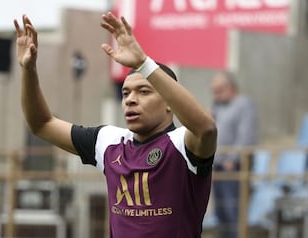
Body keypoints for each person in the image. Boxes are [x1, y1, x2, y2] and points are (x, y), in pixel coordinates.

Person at [14, 12, 217, 238]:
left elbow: (206, 128)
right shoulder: (108, 141)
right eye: (125, 93)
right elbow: (41, 124)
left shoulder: (182, 144)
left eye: (144, 91)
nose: (130, 99)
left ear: (169, 103)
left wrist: (143, 63)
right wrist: (28, 70)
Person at [210, 71, 258, 238]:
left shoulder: (244, 104)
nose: (216, 95)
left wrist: (232, 159)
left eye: (219, 91)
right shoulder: (218, 106)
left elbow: (246, 136)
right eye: (214, 91)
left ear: (230, 87)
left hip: (234, 167)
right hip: (217, 165)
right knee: (221, 213)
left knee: (233, 213)